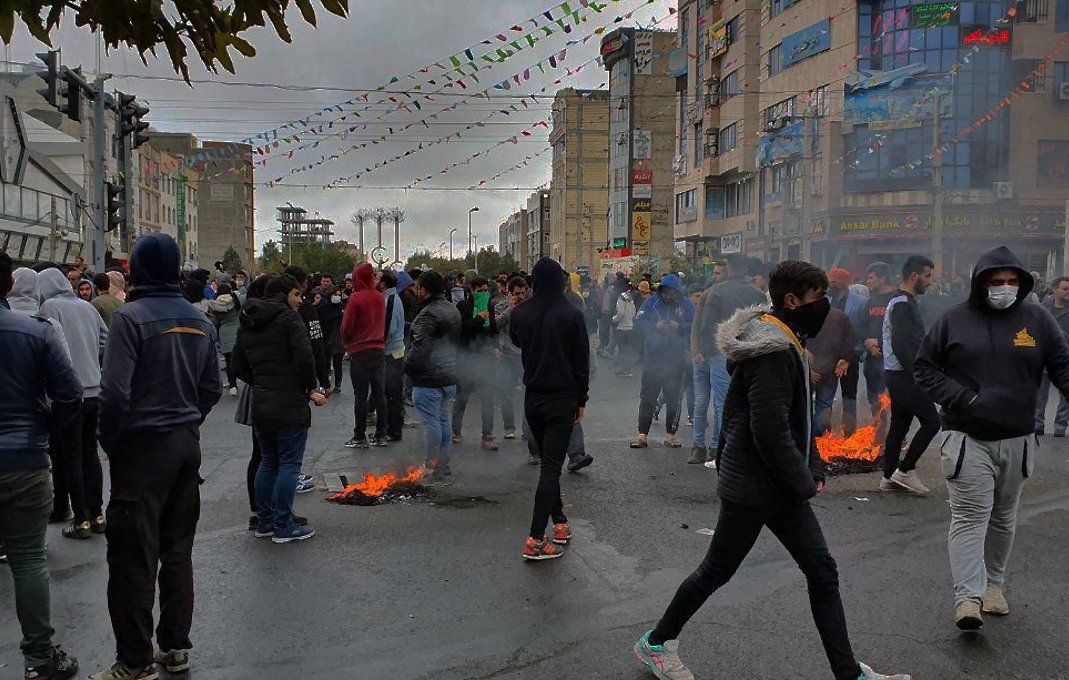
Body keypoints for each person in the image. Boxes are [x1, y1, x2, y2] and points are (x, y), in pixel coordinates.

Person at [633, 261, 910, 680]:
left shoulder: (784, 339)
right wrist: (803, 481)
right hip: (755, 486)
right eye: (819, 299)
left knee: (820, 569)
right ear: (792, 301)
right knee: (718, 570)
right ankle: (656, 642)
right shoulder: (772, 351)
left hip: (775, 482)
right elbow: (768, 429)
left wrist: (812, 462)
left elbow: (792, 420)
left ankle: (848, 673)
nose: (826, 307)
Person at [915, 246, 1069, 631]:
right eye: (996, 282)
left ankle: (994, 585)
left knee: (1003, 517)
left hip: (1018, 438)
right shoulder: (954, 320)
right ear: (981, 284)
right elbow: (924, 367)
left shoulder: (1038, 319)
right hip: (967, 438)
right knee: (969, 517)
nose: (1004, 288)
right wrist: (963, 397)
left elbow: (1062, 365)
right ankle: (967, 597)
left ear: (1022, 284)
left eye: (1012, 282)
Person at [93, 233, 222, 680]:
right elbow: (211, 389)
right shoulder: (198, 319)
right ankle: (174, 647)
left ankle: (134, 660)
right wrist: (188, 422)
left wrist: (113, 441)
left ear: (141, 270)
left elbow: (113, 393)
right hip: (186, 447)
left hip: (143, 449)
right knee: (177, 549)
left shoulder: (130, 318)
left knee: (133, 555)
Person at [0, 252, 83, 680]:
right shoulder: (35, 332)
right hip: (24, 460)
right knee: (29, 560)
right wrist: (44, 429)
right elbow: (69, 393)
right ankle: (39, 658)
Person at [232, 274, 325, 545]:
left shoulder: (249, 320)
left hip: (261, 402)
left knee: (268, 462)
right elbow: (305, 357)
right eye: (297, 294)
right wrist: (310, 388)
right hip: (289, 403)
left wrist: (260, 381)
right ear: (285, 294)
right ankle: (284, 525)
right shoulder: (289, 320)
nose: (301, 300)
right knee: (288, 465)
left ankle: (265, 521)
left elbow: (237, 365)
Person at [510, 258, 589, 560]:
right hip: (562, 398)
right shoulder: (572, 314)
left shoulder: (521, 313)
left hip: (533, 398)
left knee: (548, 463)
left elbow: (516, 341)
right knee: (551, 468)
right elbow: (582, 363)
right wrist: (581, 400)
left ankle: (560, 524)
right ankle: (535, 538)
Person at [38, 267, 109, 541]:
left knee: (71, 457)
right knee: (90, 453)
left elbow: (49, 348)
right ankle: (97, 514)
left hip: (68, 395)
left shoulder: (49, 308)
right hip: (95, 390)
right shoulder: (87, 308)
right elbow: (106, 339)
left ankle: (80, 519)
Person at [687, 254, 765, 463]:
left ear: (730, 269)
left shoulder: (715, 293)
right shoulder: (758, 294)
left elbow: (707, 325)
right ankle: (716, 447)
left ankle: (700, 448)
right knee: (723, 402)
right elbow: (761, 326)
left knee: (705, 401)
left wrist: (700, 350)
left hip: (715, 352)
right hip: (741, 352)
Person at [880, 255, 940, 495]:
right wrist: (918, 373)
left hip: (898, 374)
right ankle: (905, 470)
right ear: (914, 276)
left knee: (900, 424)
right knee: (932, 422)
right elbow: (901, 343)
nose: (930, 281)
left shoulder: (902, 301)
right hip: (905, 375)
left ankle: (888, 477)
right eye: (927, 276)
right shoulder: (903, 303)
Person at [406, 271, 461, 478]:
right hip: (448, 376)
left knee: (432, 423)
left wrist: (407, 367)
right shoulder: (451, 309)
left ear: (425, 290)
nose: (415, 290)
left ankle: (430, 464)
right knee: (443, 421)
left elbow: (420, 350)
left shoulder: (428, 315)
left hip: (429, 379)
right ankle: (443, 464)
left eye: (417, 287)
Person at [631, 274, 694, 450]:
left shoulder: (686, 304)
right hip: (653, 357)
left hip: (676, 359)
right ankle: (642, 435)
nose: (667, 296)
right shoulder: (651, 302)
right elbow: (638, 322)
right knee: (647, 397)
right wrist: (654, 326)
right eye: (664, 292)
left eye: (671, 293)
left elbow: (694, 325)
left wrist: (679, 327)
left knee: (674, 398)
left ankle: (670, 435)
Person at [342, 263, 388, 449]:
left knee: (360, 396)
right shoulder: (380, 298)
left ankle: (359, 435)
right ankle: (381, 435)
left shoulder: (355, 298)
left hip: (360, 352)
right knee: (379, 394)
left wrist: (348, 343)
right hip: (378, 350)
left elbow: (346, 327)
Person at [453, 275, 501, 449]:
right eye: (480, 291)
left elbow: (494, 330)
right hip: (467, 357)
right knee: (462, 396)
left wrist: (495, 347)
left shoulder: (489, 306)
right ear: (472, 291)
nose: (483, 293)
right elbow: (459, 330)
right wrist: (478, 320)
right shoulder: (463, 307)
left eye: (486, 290)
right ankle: (456, 430)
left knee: (488, 398)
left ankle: (487, 436)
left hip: (485, 357)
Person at [808, 301, 858, 436]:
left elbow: (797, 343)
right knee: (824, 405)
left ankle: (811, 442)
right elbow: (852, 340)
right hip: (829, 370)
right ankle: (819, 441)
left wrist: (806, 369)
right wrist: (844, 358)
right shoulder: (839, 315)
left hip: (811, 372)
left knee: (805, 407)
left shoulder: (804, 315)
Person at [827, 268, 867, 434]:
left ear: (843, 282)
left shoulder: (860, 302)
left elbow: (863, 330)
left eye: (833, 281)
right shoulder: (826, 300)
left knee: (849, 396)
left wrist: (854, 354)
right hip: (829, 356)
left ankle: (849, 433)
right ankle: (824, 433)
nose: (830, 284)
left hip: (850, 356)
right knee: (826, 397)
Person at [283, 265, 331, 394]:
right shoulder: (306, 308)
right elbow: (317, 344)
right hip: (297, 377)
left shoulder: (266, 309)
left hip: (267, 382)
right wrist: (324, 381)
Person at [1035, 276, 1069, 436]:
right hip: (1045, 357)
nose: (1068, 292)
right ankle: (1037, 423)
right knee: (1040, 393)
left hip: (1066, 358)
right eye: (1065, 289)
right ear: (1055, 290)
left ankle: (1060, 426)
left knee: (1065, 394)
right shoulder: (1042, 309)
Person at [863, 262, 896, 414]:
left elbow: (902, 330)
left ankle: (897, 434)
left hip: (891, 357)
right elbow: (863, 325)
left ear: (882, 279)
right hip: (871, 357)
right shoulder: (870, 300)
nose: (868, 281)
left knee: (893, 398)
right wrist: (868, 343)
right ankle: (877, 430)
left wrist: (880, 343)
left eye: (871, 278)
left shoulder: (896, 299)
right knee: (874, 399)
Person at [377, 270, 407, 442]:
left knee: (393, 392)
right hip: (391, 351)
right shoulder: (388, 298)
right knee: (388, 391)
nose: (374, 280)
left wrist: (378, 344)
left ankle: (394, 430)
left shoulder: (391, 300)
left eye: (377, 278)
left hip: (392, 352)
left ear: (383, 283)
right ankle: (390, 427)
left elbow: (391, 328)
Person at [209, 283, 241, 396]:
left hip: (224, 333)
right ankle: (240, 378)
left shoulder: (215, 304)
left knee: (229, 361)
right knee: (239, 358)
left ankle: (233, 385)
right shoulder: (236, 300)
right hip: (238, 331)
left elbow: (214, 322)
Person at [316, 282, 346, 395]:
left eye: (339, 294)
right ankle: (325, 383)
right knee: (325, 361)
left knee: (338, 362)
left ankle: (338, 384)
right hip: (326, 336)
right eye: (335, 294)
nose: (337, 296)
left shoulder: (341, 306)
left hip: (338, 337)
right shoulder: (323, 306)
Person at [612, 283, 637, 377]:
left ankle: (625, 370)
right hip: (630, 326)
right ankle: (628, 369)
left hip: (622, 327)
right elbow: (634, 312)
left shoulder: (621, 298)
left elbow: (621, 313)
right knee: (628, 349)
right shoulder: (630, 298)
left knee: (622, 349)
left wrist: (614, 319)